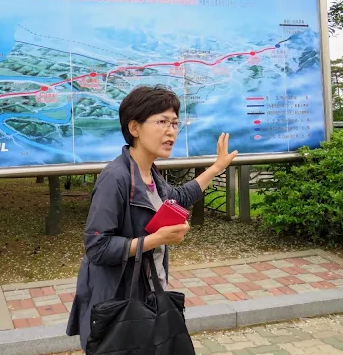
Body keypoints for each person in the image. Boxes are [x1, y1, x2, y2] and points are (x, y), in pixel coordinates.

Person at [66, 85, 238, 350]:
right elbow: (97, 247)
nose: (171, 131)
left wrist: (216, 167)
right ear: (134, 128)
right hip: (117, 301)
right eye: (161, 122)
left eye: (175, 123)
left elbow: (179, 198)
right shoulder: (116, 178)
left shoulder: (151, 177)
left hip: (145, 295)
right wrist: (154, 239)